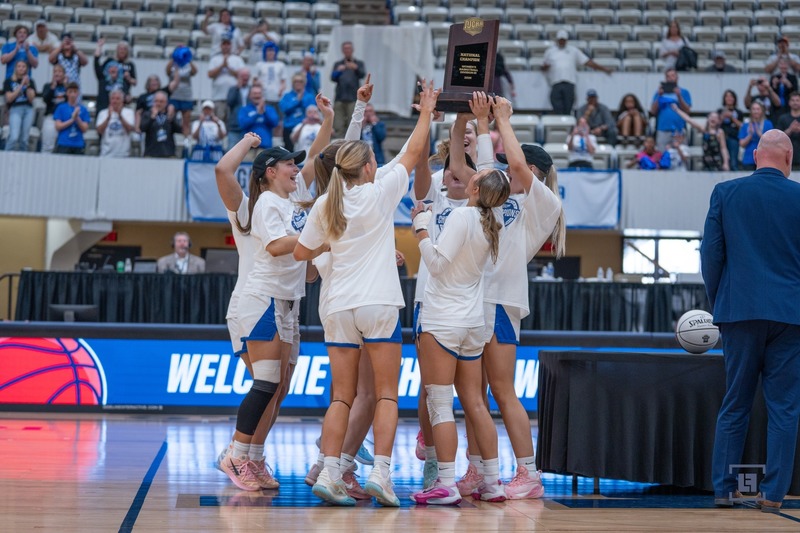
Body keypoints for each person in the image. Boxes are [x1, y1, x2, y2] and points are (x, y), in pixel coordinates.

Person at [293, 80, 439, 507]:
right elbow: (413, 152)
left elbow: (302, 252)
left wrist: (338, 244)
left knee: (342, 395)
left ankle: (332, 471)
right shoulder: (379, 193)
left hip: (336, 306)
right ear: (369, 167)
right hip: (377, 303)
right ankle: (382, 473)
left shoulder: (325, 204)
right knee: (386, 394)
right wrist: (427, 110)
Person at [214, 93, 334, 493]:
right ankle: (236, 454)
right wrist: (250, 142)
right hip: (257, 298)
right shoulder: (259, 204)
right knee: (266, 384)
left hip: (287, 300)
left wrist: (331, 119)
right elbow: (222, 171)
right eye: (288, 164)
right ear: (268, 171)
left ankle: (253, 457)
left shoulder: (292, 202)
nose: (297, 169)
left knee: (278, 390)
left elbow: (317, 158)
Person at [410, 104, 511, 507]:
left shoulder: (461, 218)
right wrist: (469, 126)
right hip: (473, 322)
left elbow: (435, 264)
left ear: (473, 187)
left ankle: (447, 483)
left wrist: (419, 228)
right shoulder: (494, 220)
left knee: (439, 402)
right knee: (475, 403)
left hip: (443, 319)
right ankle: (493, 481)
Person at [467, 99, 565, 502]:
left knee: (502, 389)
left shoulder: (542, 201)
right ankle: (478, 469)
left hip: (501, 302)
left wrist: (504, 121)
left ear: (537, 173)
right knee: (474, 394)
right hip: (475, 298)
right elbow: (489, 168)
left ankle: (528, 471)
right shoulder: (504, 194)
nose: (508, 171)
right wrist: (481, 122)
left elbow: (518, 169)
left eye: (516, 166)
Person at [702, 129, 800, 514]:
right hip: (791, 315)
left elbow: (711, 256)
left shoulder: (726, 193)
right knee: (785, 408)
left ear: (755, 154)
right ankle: (773, 494)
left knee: (736, 403)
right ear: (789, 160)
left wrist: (720, 304)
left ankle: (724, 490)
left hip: (739, 312)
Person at [542, 29, 612, 116]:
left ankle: (567, 121)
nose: (562, 42)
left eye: (563, 40)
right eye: (560, 40)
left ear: (567, 40)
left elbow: (587, 62)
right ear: (557, 40)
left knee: (568, 106)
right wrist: (544, 67)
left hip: (569, 82)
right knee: (556, 105)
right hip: (555, 83)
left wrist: (603, 69)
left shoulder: (573, 51)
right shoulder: (550, 52)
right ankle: (560, 120)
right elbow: (544, 66)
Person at [671, 105, 731, 171]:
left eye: (715, 117)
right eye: (711, 116)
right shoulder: (704, 129)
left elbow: (723, 148)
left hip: (717, 160)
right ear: (708, 119)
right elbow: (689, 120)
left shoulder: (719, 132)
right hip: (706, 161)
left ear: (719, 121)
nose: (713, 118)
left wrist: (726, 163)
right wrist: (677, 110)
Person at [650, 68, 692, 152]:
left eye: (673, 75)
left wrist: (679, 96)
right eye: (668, 76)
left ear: (677, 77)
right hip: (662, 129)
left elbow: (687, 110)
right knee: (662, 156)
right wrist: (659, 96)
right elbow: (653, 111)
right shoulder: (659, 93)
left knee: (682, 154)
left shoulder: (684, 92)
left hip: (679, 130)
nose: (671, 78)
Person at [330, 42, 366, 136]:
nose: (347, 50)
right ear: (342, 50)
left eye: (349, 48)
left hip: (353, 98)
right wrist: (338, 70)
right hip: (340, 98)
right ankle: (338, 145)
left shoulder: (359, 63)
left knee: (353, 123)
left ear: (352, 50)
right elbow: (332, 78)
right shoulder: (338, 64)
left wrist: (356, 68)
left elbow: (362, 74)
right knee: (338, 124)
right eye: (345, 48)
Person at [208, 37, 245, 122]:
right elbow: (210, 74)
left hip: (234, 98)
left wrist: (228, 67)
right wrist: (222, 66)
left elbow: (242, 75)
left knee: (232, 121)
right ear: (221, 46)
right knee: (218, 121)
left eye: (228, 44)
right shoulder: (215, 59)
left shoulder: (237, 59)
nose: (226, 46)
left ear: (231, 45)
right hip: (218, 97)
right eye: (224, 44)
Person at [3, 61, 36, 152]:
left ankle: (23, 162)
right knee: (14, 136)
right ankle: (5, 158)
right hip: (15, 109)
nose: (21, 68)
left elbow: (31, 98)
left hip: (28, 109)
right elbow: (9, 98)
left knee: (24, 139)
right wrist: (21, 85)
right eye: (19, 66)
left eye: (23, 66)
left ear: (26, 69)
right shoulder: (9, 81)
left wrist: (27, 85)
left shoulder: (31, 82)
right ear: (15, 68)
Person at [94, 39, 136, 108]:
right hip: (106, 95)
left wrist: (128, 78)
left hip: (121, 97)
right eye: (120, 49)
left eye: (124, 49)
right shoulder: (110, 60)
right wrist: (99, 47)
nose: (122, 51)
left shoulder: (130, 64)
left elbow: (134, 82)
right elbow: (99, 72)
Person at [280, 74, 316, 151]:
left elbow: (312, 111)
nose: (298, 83)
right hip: (289, 128)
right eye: (296, 81)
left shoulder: (309, 96)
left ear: (304, 83)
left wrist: (302, 101)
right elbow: (284, 109)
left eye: (300, 81)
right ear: (292, 83)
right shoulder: (287, 96)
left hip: (305, 128)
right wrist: (296, 101)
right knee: (289, 153)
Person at [166, 46, 197, 138]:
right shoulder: (173, 65)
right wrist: (173, 58)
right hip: (174, 95)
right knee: (170, 119)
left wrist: (188, 58)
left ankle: (186, 143)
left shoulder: (187, 64)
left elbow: (194, 72)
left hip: (186, 96)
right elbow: (167, 72)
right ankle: (169, 138)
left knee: (186, 121)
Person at [140, 91, 181, 158]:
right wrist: (152, 117)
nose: (158, 104)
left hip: (168, 153)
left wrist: (171, 118)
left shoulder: (170, 115)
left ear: (166, 103)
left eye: (161, 101)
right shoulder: (147, 114)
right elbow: (142, 128)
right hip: (151, 153)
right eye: (156, 101)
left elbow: (179, 130)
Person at [53, 82, 90, 155]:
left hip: (78, 144)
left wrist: (77, 118)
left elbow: (85, 129)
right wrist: (72, 120)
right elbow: (58, 126)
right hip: (63, 143)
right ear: (67, 93)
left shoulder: (83, 109)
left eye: (75, 92)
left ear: (78, 93)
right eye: (70, 92)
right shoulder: (61, 108)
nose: (73, 94)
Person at [96, 89, 135, 158]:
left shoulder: (129, 112)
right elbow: (99, 131)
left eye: (118, 99)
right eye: (113, 98)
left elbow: (130, 129)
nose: (115, 101)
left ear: (122, 100)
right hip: (106, 154)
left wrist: (120, 115)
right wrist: (108, 117)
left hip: (123, 155)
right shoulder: (103, 113)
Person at [253, 41, 287, 114]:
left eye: (272, 50)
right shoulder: (259, 65)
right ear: (265, 52)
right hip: (264, 97)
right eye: (268, 50)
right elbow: (254, 81)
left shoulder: (281, 65)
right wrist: (259, 84)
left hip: (277, 98)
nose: (270, 53)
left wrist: (281, 89)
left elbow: (283, 82)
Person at [739, 101, 773, 171]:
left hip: (764, 159)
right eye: (753, 109)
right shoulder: (746, 125)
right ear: (751, 111)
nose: (756, 111)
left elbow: (771, 143)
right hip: (748, 159)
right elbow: (742, 144)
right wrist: (750, 135)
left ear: (762, 111)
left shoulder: (768, 124)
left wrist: (759, 134)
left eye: (758, 109)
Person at [41, 63, 68, 153]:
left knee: (62, 146)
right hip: (51, 116)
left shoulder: (68, 88)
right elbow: (45, 99)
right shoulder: (47, 86)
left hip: (65, 119)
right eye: (55, 71)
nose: (57, 74)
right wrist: (52, 87)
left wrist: (66, 86)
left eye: (60, 71)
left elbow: (72, 101)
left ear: (64, 74)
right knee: (47, 145)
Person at [718, 90, 744, 171]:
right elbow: (715, 124)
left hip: (734, 138)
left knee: (733, 161)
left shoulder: (739, 112)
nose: (729, 98)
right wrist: (723, 116)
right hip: (721, 138)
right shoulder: (720, 111)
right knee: (722, 159)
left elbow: (742, 126)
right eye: (727, 96)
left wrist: (732, 118)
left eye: (731, 96)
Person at [226, 68, 251, 149]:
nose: (245, 78)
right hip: (235, 126)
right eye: (243, 76)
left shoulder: (252, 89)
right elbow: (230, 102)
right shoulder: (233, 89)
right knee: (232, 150)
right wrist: (237, 88)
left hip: (248, 126)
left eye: (246, 76)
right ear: (238, 77)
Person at [777, 92, 800, 171]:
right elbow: (778, 138)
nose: (795, 102)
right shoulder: (783, 118)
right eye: (793, 100)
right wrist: (790, 129)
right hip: (786, 158)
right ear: (789, 102)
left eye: (797, 100)